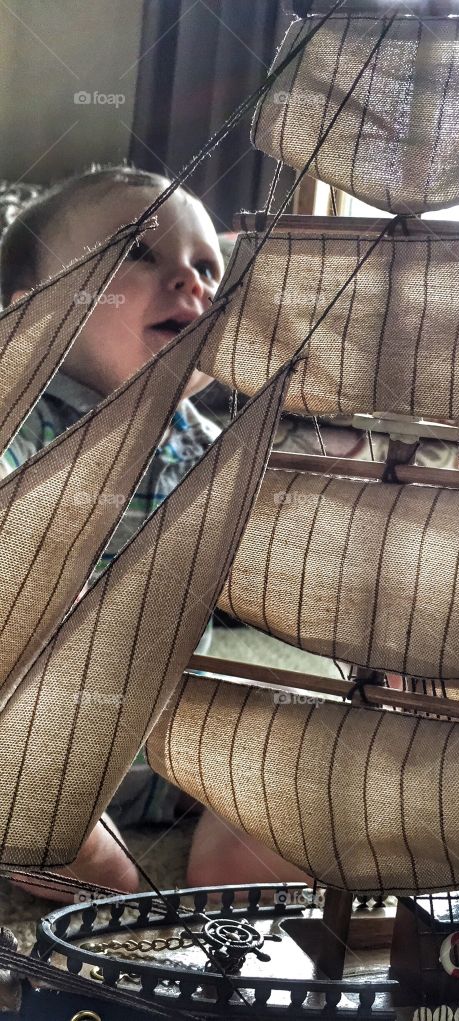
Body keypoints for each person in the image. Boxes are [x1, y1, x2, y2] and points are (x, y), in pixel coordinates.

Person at [0, 165, 308, 900]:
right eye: (139, 251)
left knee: (293, 772)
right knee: (41, 810)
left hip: (171, 756)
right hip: (28, 741)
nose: (191, 283)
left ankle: (219, 906)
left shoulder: (208, 449)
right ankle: (108, 883)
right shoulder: (18, 422)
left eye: (208, 267)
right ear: (29, 313)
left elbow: (277, 564)